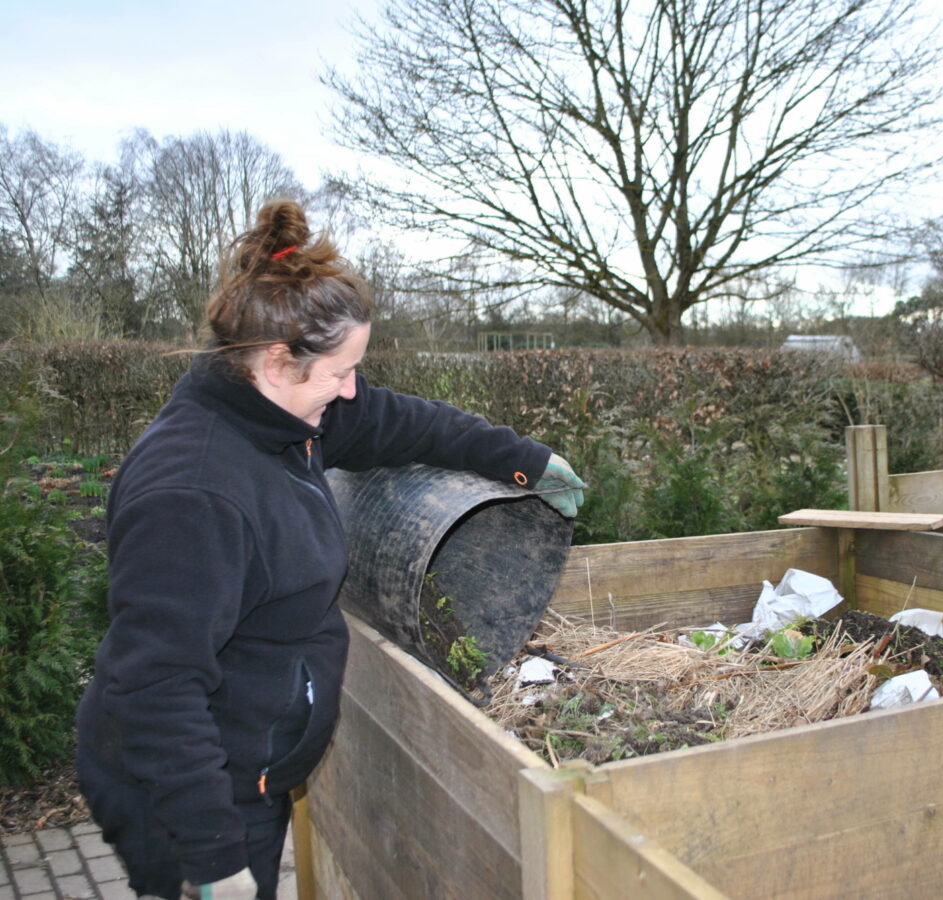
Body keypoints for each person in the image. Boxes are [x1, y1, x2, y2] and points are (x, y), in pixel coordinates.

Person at [74, 200, 585, 900]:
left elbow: (391, 418)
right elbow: (155, 690)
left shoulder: (280, 415)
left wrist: (523, 459)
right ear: (279, 360)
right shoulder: (193, 497)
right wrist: (214, 860)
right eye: (341, 371)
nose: (350, 389)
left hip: (251, 762)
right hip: (193, 797)